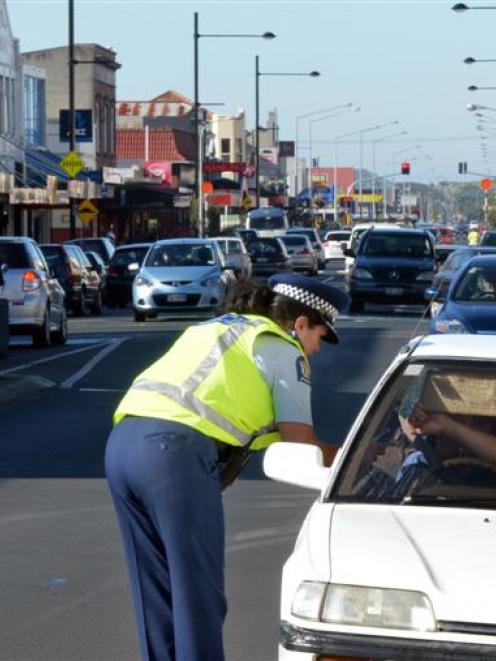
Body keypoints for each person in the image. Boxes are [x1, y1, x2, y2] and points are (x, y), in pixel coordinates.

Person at [104, 273, 350, 661]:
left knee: (156, 595)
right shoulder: (283, 347)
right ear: (301, 323)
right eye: (319, 336)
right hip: (174, 454)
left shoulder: (219, 327)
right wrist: (358, 457)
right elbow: (300, 443)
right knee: (198, 596)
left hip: (121, 445)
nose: (316, 349)